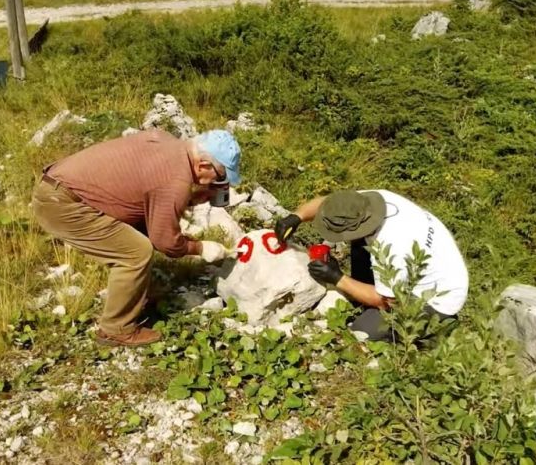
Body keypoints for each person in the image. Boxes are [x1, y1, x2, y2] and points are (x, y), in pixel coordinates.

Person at [32, 129, 241, 347]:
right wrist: (200, 248)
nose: (216, 183)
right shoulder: (175, 181)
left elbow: (147, 190)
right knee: (136, 253)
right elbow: (165, 242)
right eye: (220, 177)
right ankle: (115, 329)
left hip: (57, 185)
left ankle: (135, 295)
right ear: (203, 166)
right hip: (61, 205)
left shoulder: (166, 142)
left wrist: (188, 198)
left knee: (139, 234)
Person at [275, 189, 469, 340]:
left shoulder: (394, 246)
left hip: (436, 298)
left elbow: (387, 301)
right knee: (360, 243)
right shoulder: (370, 201)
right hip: (434, 264)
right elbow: (330, 203)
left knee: (362, 333)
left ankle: (437, 328)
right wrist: (297, 216)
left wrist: (337, 278)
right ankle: (363, 294)